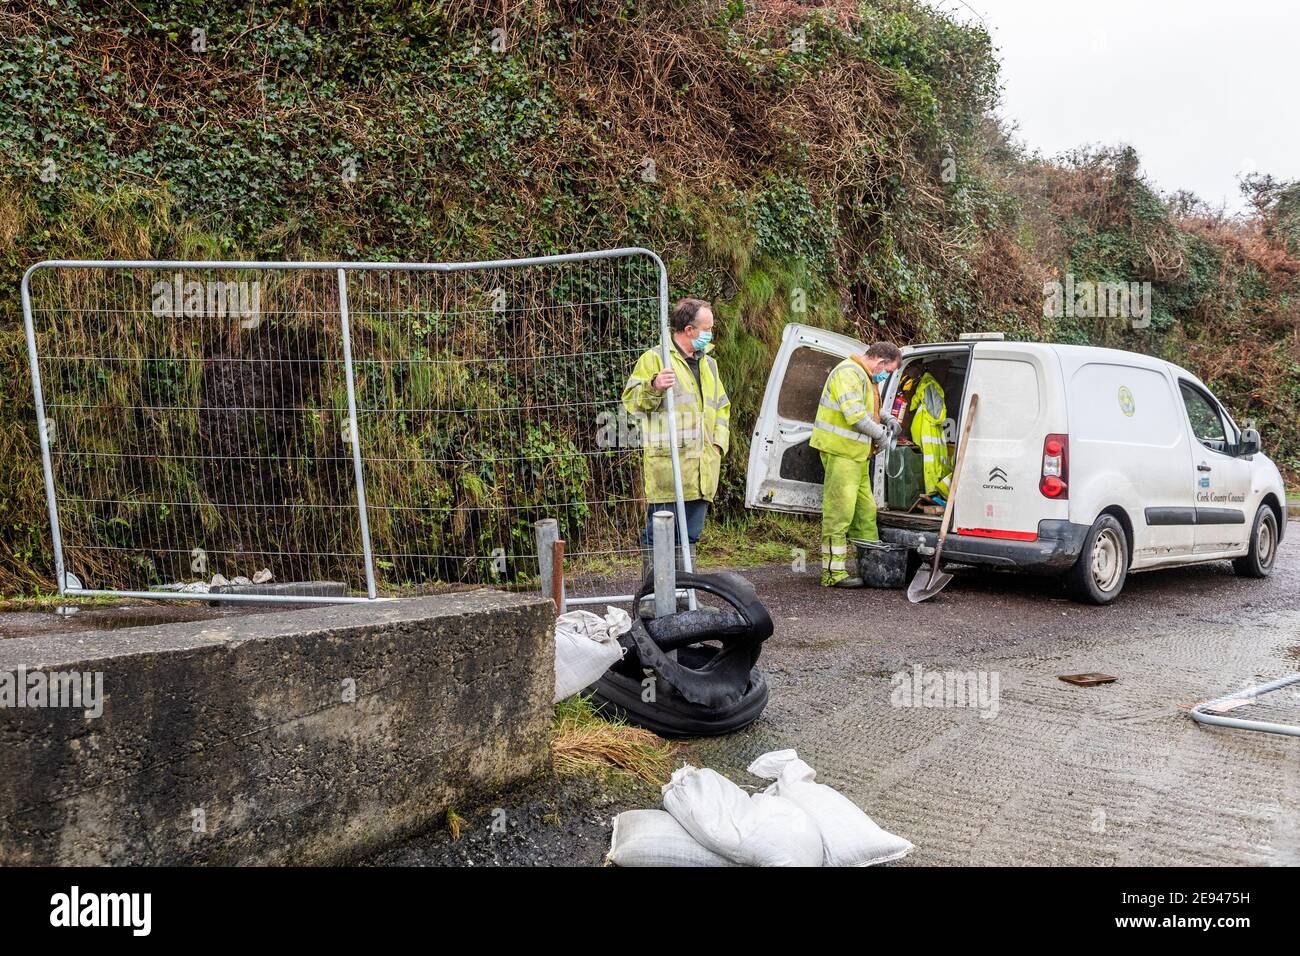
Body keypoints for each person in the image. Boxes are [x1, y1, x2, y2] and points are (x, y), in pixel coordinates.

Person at [622, 298, 730, 569]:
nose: (711, 333)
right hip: (668, 469)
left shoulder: (710, 365)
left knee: (690, 536)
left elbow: (722, 408)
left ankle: (684, 597)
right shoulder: (655, 358)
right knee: (660, 534)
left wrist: (718, 444)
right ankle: (654, 598)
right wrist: (654, 385)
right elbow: (632, 404)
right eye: (707, 328)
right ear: (689, 330)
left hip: (703, 468)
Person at [809, 341, 903, 587]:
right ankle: (833, 574)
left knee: (865, 513)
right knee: (839, 514)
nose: (886, 376)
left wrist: (888, 419)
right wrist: (882, 435)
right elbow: (856, 415)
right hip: (841, 454)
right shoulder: (848, 373)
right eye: (888, 371)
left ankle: (871, 569)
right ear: (880, 361)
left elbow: (870, 409)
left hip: (858, 456)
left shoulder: (864, 376)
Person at [908, 360, 953, 504]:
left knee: (931, 465)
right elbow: (936, 413)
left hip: (927, 437)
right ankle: (932, 494)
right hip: (925, 436)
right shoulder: (927, 385)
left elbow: (936, 414)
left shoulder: (929, 385)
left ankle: (933, 493)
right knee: (930, 466)